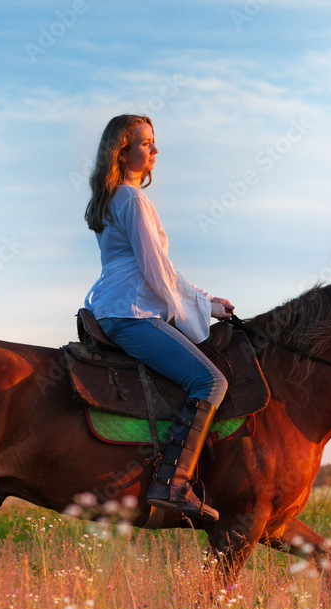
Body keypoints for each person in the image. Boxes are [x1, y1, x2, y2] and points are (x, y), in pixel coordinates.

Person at [83, 115, 233, 522]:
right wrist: (203, 309)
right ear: (123, 151)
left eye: (153, 142)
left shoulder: (115, 197)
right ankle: (173, 484)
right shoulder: (132, 200)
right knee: (210, 381)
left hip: (118, 306)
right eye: (146, 143)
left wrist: (205, 299)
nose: (155, 150)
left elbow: (158, 269)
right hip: (131, 313)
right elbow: (156, 271)